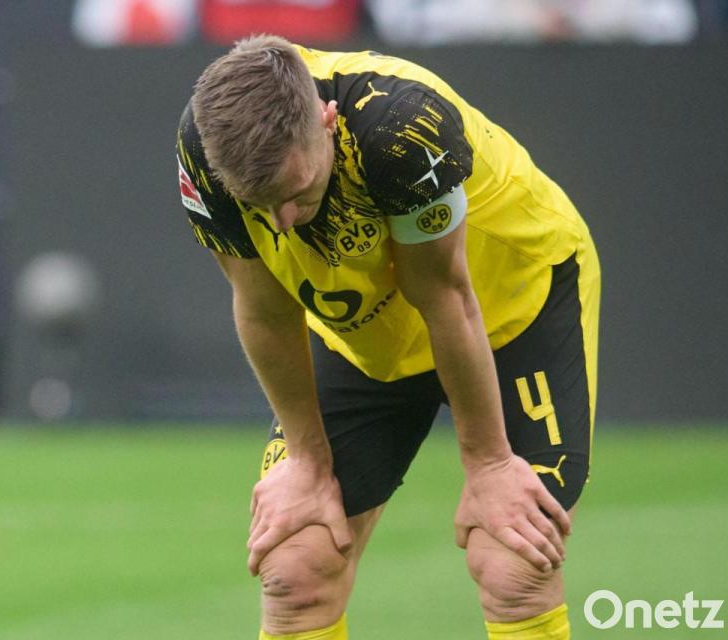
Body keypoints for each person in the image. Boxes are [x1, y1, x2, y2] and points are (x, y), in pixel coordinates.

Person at [176, 35, 600, 640]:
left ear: (326, 121)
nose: (281, 223)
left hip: (510, 308)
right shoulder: (207, 151)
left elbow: (445, 298)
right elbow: (265, 310)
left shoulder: (402, 128)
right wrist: (307, 462)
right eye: (260, 205)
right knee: (296, 567)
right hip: (363, 331)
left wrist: (489, 464)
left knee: (513, 565)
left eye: (295, 194)